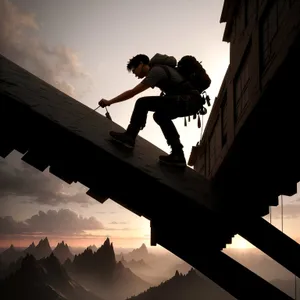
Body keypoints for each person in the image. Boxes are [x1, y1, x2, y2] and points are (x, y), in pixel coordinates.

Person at [98, 53, 204, 167]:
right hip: (191, 101)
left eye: (134, 71)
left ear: (141, 64)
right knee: (160, 116)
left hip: (188, 99)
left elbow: (132, 93)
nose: (135, 75)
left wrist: (109, 102)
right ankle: (178, 154)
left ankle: (129, 137)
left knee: (142, 103)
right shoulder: (160, 70)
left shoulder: (156, 71)